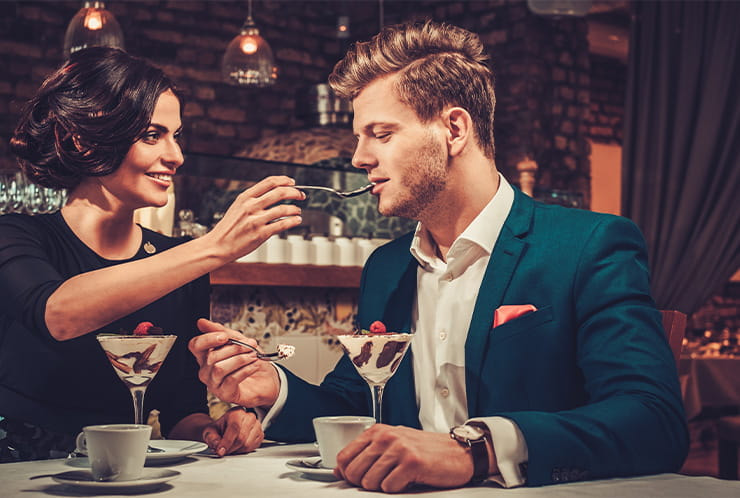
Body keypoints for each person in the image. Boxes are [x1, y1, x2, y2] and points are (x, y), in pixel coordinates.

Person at [189, 21, 688, 491]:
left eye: (381, 134)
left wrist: (475, 449)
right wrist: (273, 386)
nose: (359, 157)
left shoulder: (589, 246)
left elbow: (652, 420)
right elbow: (357, 402)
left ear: (454, 129)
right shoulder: (385, 268)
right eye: (360, 137)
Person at [0, 47, 305, 462]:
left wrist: (215, 430)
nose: (175, 156)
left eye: (176, 136)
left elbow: (182, 409)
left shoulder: (181, 263)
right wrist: (215, 245)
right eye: (151, 135)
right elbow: (58, 314)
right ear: (83, 140)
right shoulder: (17, 235)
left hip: (130, 474)